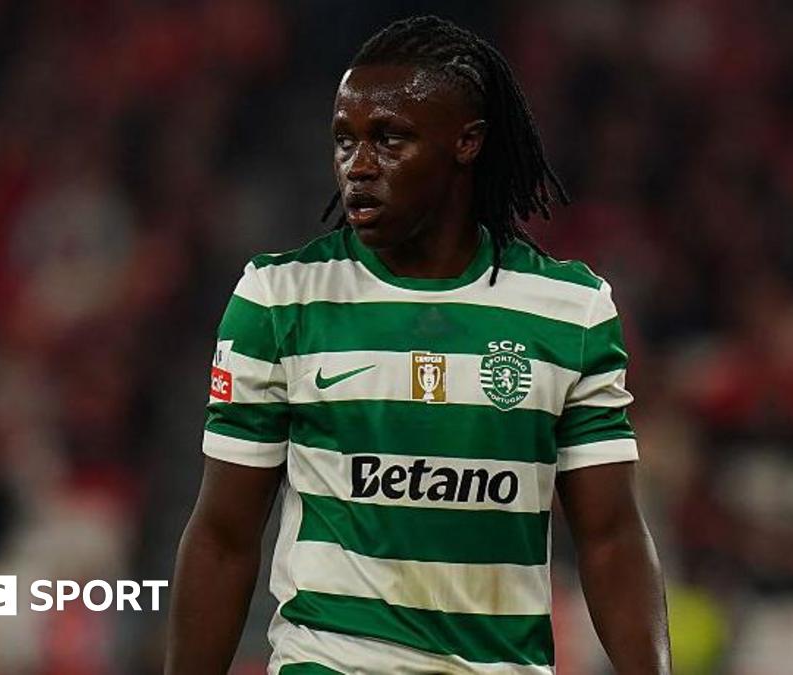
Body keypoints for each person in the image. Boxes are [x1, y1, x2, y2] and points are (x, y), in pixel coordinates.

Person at [166, 15, 671, 674]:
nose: (358, 166)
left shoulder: (569, 310)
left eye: (389, 139)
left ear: (467, 142)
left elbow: (610, 537)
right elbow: (223, 537)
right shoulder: (280, 299)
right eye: (344, 140)